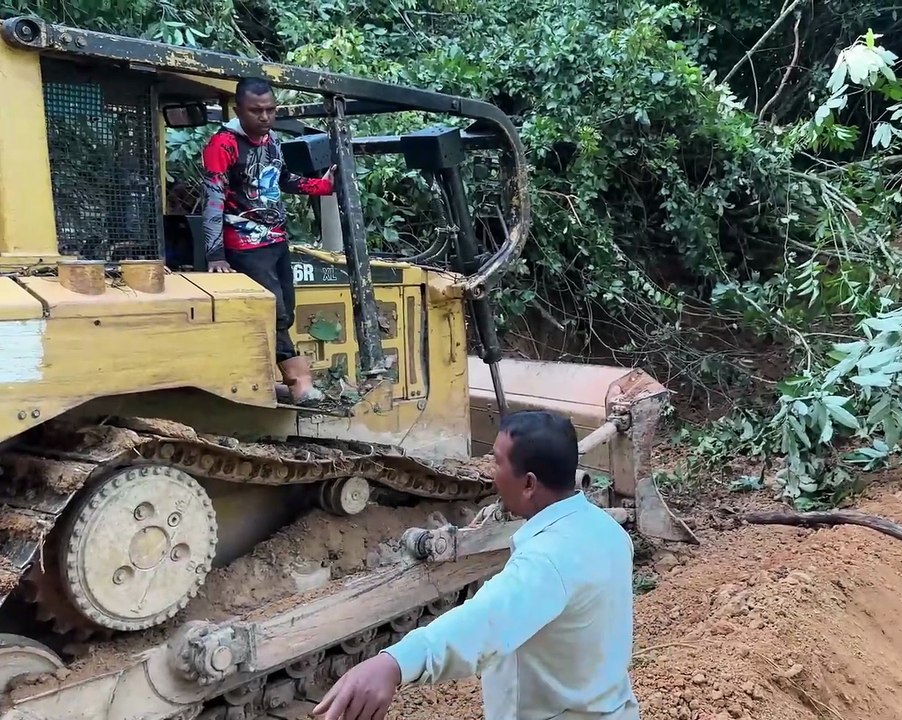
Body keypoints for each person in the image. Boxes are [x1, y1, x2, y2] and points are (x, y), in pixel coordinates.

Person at [311, 410, 641, 720]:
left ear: (529, 484)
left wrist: (394, 663)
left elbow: (484, 622)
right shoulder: (606, 529)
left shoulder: (547, 559)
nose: (491, 475)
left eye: (497, 462)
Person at [201, 76, 334, 406]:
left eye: (270, 110)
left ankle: (280, 379)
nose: (264, 117)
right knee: (272, 310)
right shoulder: (223, 145)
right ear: (238, 110)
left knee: (286, 307)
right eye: (256, 110)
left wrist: (322, 186)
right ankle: (298, 382)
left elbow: (281, 180)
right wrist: (215, 253)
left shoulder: (271, 140)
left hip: (275, 238)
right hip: (244, 243)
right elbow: (213, 199)